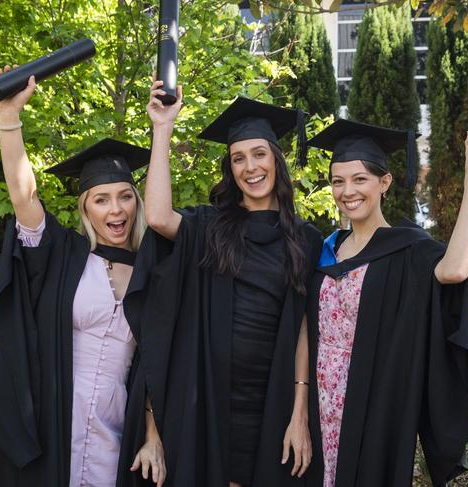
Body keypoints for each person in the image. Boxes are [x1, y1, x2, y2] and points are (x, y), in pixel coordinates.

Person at [119, 81, 323, 487]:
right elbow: (158, 216)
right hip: (209, 397)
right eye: (238, 159)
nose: (250, 167)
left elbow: (303, 326)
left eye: (259, 154)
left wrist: (300, 411)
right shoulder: (211, 226)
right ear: (229, 169)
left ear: (277, 160)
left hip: (273, 396)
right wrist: (162, 129)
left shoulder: (306, 238)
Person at [0, 66, 165, 487]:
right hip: (55, 415)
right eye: (101, 200)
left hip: (118, 425)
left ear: (136, 203)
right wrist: (9, 118)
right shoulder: (63, 255)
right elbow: (24, 195)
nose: (115, 210)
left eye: (124, 197)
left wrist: (154, 436)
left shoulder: (153, 270)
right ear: (85, 209)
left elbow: (158, 361)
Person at [303, 118, 468, 487]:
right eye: (338, 180)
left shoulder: (408, 248)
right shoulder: (324, 249)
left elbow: (455, 270)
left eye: (360, 178)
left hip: (375, 403)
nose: (347, 191)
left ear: (385, 182)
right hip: (318, 402)